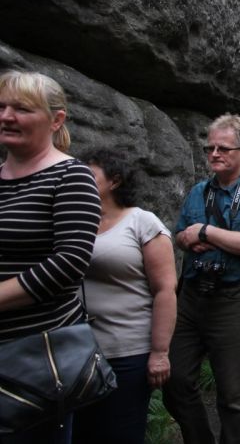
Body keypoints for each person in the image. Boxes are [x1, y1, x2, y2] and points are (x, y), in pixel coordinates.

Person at [164, 113, 240, 444]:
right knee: (174, 380)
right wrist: (189, 238)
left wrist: (206, 232)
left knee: (232, 396)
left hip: (233, 299)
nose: (214, 154)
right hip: (191, 297)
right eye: (209, 148)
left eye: (223, 148)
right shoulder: (199, 192)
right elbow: (180, 235)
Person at [0, 70, 101, 443]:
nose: (6, 116)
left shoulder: (71, 177)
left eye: (22, 109)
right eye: (1, 107)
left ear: (56, 120)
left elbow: (69, 263)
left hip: (35, 363)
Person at [74, 149, 178, 444]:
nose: (79, 180)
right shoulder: (75, 222)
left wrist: (159, 353)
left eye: (88, 174)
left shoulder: (142, 222)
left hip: (126, 352)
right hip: (75, 350)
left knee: (120, 433)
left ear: (115, 181)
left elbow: (165, 290)